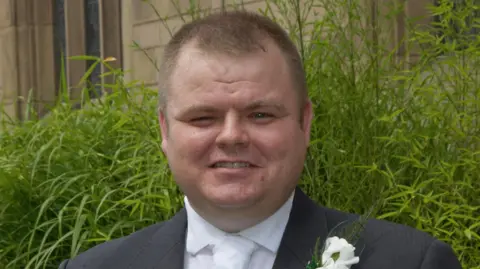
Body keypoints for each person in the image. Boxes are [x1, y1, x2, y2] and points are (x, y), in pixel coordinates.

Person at [58, 10, 462, 269]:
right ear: (164, 130)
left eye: (261, 114)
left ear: (304, 124)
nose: (232, 136)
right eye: (203, 117)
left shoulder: (412, 262)